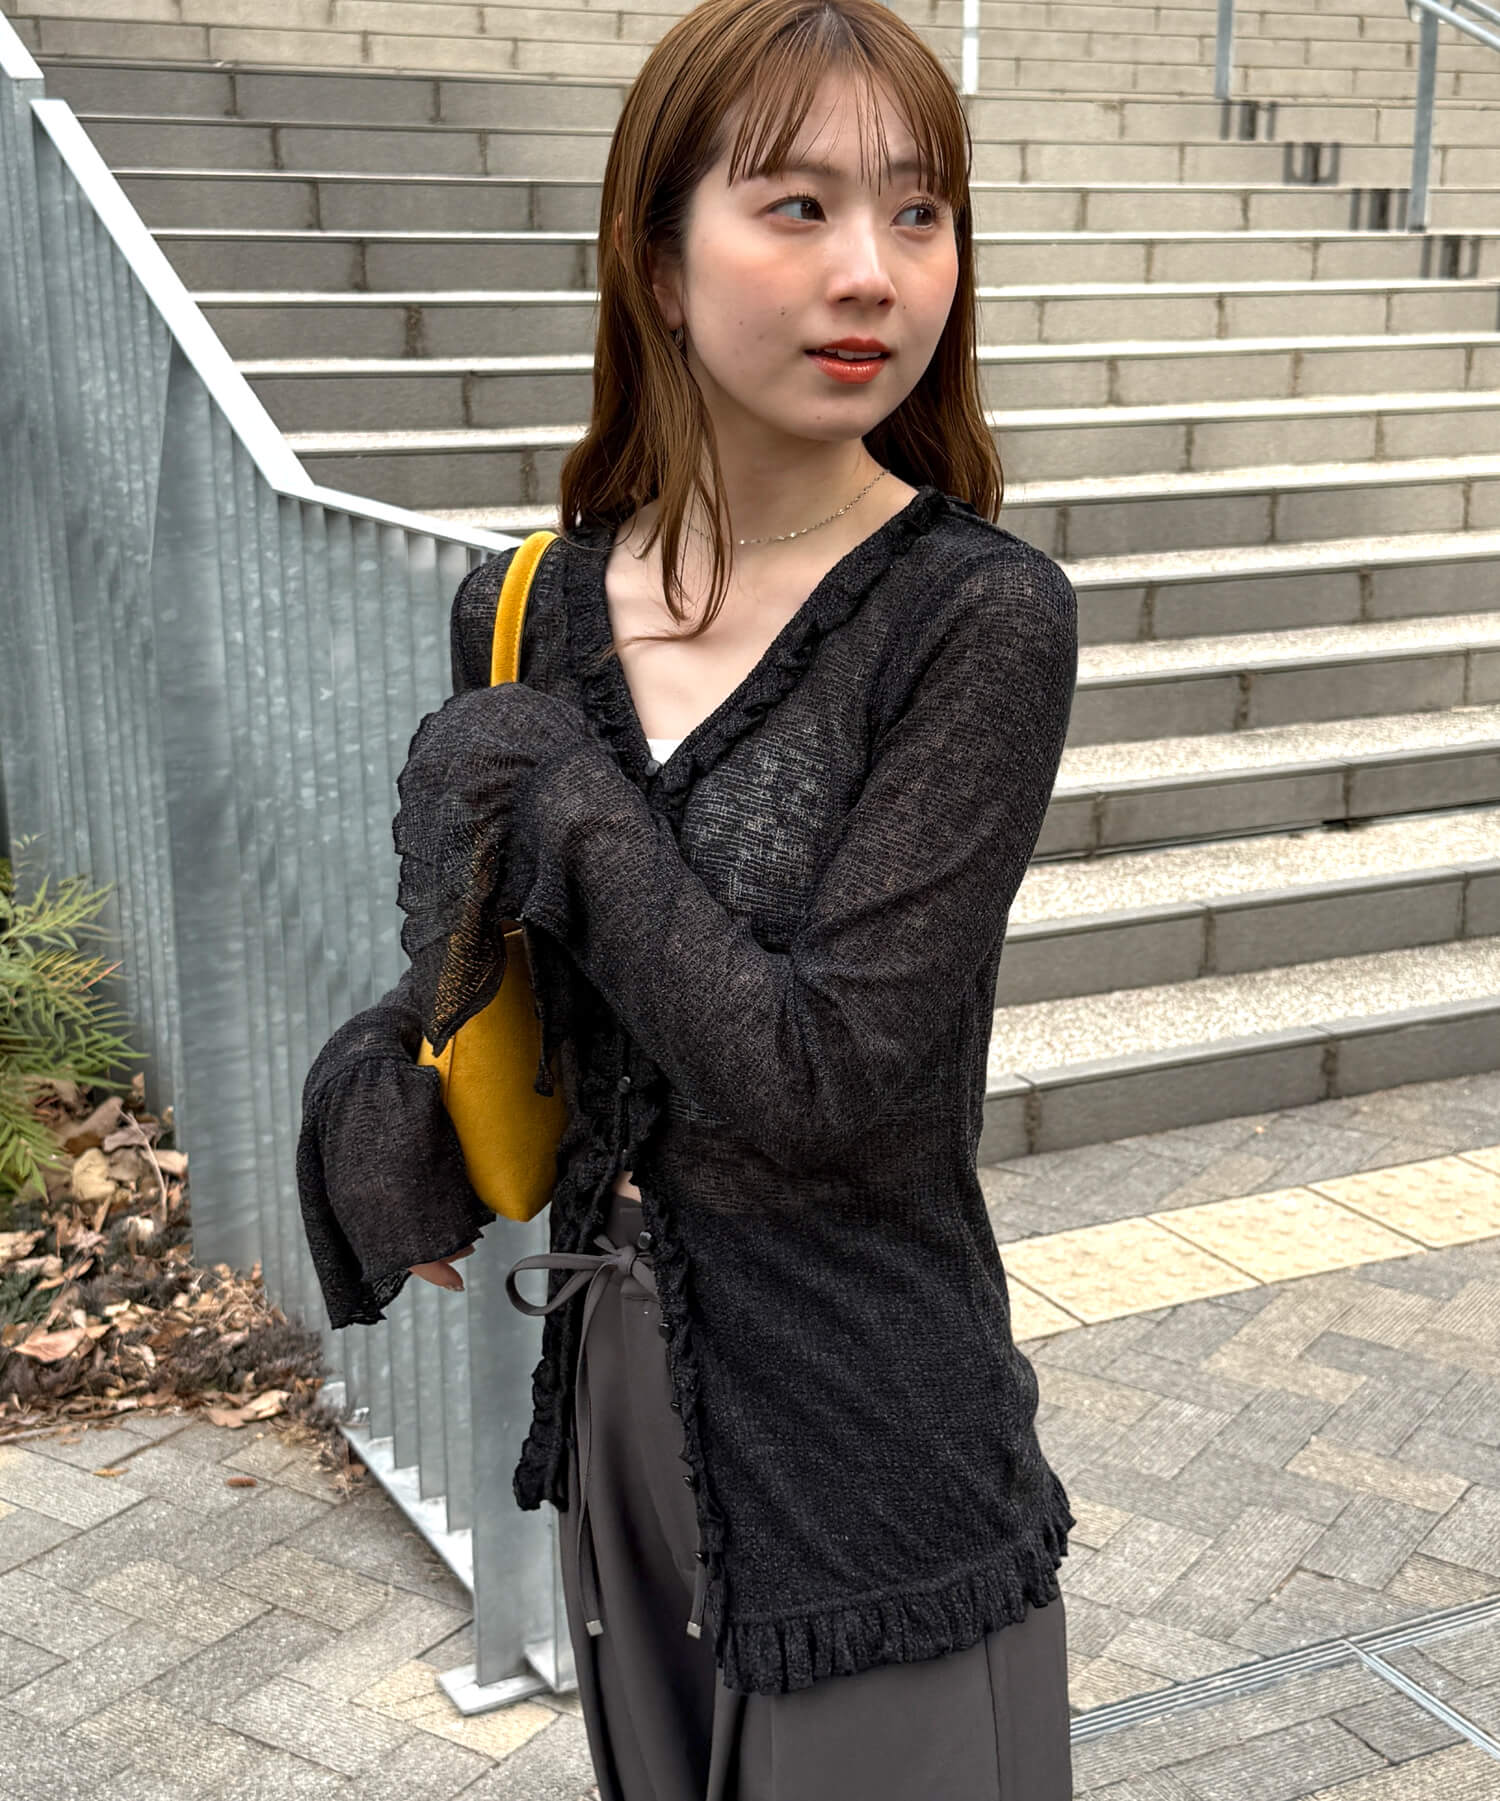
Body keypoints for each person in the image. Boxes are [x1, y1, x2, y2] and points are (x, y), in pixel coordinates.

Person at [296, 0, 1081, 1793]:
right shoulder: (532, 609)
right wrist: (383, 1078)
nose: (872, 270)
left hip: (868, 1449)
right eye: (798, 206)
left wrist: (568, 807)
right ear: (656, 260)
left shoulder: (974, 619)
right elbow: (539, 982)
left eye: (918, 211)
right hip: (620, 1411)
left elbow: (826, 1075)